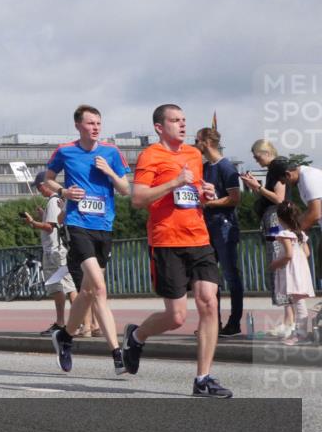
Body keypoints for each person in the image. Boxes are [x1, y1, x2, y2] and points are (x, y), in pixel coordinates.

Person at [125, 104, 232, 397]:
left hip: (198, 238)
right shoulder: (150, 155)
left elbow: (194, 190)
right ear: (160, 127)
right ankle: (136, 336)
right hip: (166, 241)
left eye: (184, 120)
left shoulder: (194, 155)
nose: (182, 125)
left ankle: (203, 379)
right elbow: (138, 198)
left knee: (209, 302)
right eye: (175, 121)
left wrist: (205, 193)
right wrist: (174, 181)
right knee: (176, 317)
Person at [44, 104, 131, 375]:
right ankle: (117, 353)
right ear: (78, 126)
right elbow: (47, 180)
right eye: (90, 123)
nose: (95, 127)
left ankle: (65, 337)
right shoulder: (65, 151)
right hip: (77, 224)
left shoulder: (111, 153)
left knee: (90, 292)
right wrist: (64, 192)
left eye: (98, 123)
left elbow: (126, 190)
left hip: (104, 226)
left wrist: (110, 172)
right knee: (100, 288)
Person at [195, 127, 244, 336]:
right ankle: (212, 321)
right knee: (208, 277)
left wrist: (211, 204)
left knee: (230, 275)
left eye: (198, 140)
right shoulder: (204, 167)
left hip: (224, 226)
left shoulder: (227, 168)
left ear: (206, 142)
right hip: (207, 226)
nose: (196, 144)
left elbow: (234, 198)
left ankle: (234, 322)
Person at [240, 143, 293, 336]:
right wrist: (257, 188)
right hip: (274, 220)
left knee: (278, 265)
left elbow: (279, 198)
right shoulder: (275, 169)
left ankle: (289, 322)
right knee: (278, 265)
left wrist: (258, 188)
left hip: (274, 220)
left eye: (257, 156)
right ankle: (290, 320)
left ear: (267, 153)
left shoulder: (276, 168)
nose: (256, 160)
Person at [23, 172, 77, 336]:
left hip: (55, 251)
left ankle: (75, 322)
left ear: (44, 186)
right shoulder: (53, 202)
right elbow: (52, 222)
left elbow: (50, 227)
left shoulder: (53, 202)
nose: (39, 190)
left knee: (67, 287)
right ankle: (67, 322)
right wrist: (43, 215)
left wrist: (33, 222)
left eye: (39, 187)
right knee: (60, 287)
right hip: (54, 250)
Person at [270, 201, 315, 345]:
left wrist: (275, 263)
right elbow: (307, 253)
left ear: (280, 219)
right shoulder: (300, 233)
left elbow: (288, 254)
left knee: (299, 303)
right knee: (299, 302)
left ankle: (301, 335)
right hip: (301, 270)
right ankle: (299, 333)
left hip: (292, 271)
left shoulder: (284, 234)